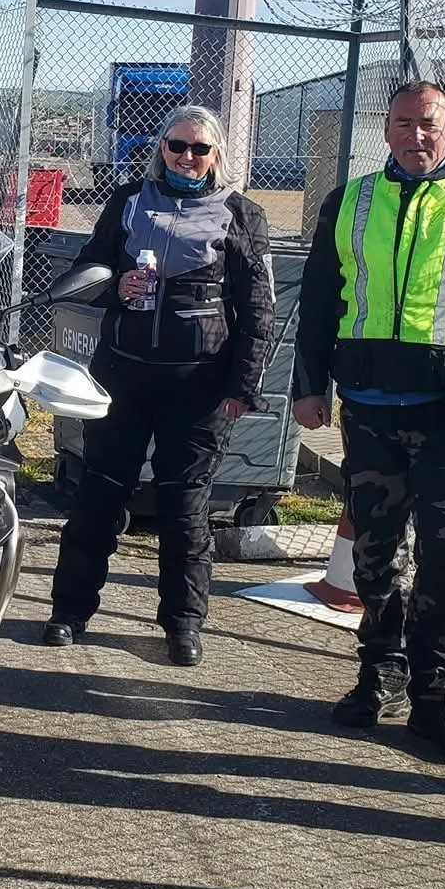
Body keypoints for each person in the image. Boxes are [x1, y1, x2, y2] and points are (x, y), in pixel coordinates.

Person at [292, 81, 445, 760]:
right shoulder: (350, 200)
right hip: (368, 408)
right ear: (387, 130)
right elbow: (320, 298)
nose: (416, 135)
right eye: (403, 123)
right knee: (374, 554)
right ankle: (381, 673)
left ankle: (436, 695)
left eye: (429, 124)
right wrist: (309, 386)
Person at [42, 105, 275, 667]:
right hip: (123, 373)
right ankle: (69, 611)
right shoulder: (127, 201)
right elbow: (87, 271)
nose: (187, 157)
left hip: (199, 384)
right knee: (99, 493)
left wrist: (243, 385)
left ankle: (183, 623)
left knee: (184, 505)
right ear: (161, 148)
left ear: (216, 154)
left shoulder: (242, 214)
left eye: (200, 148)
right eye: (177, 145)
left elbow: (259, 310)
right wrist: (115, 286)